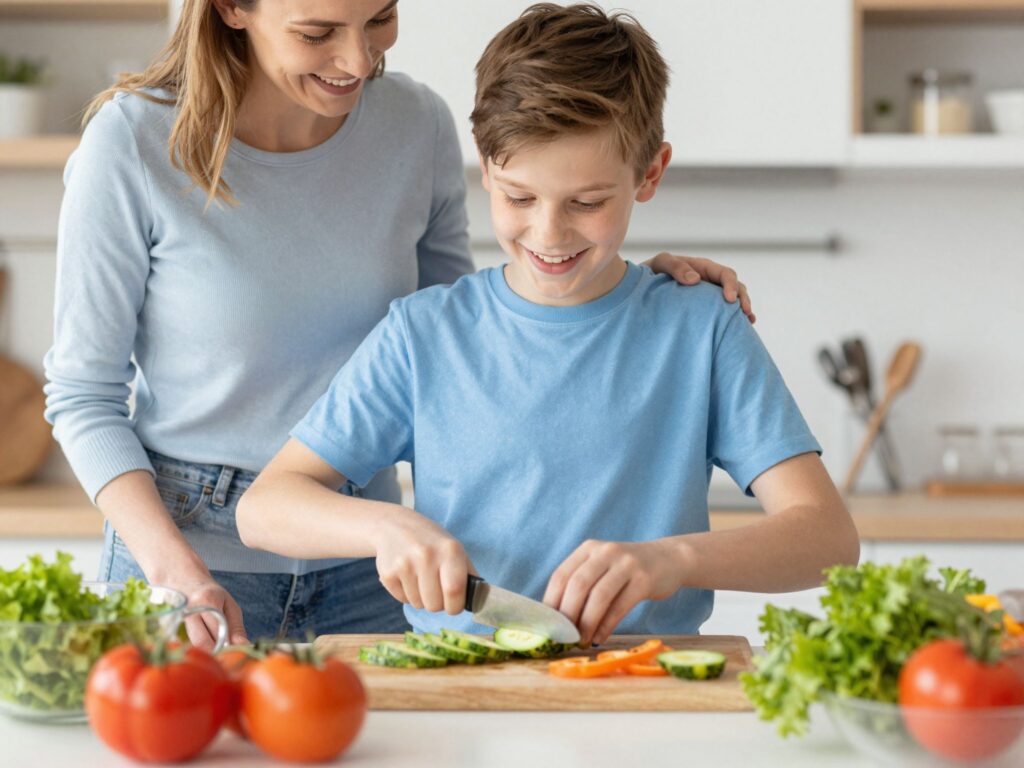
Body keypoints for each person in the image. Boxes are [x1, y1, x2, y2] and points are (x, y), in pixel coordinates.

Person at [42, 0, 753, 650]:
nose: (359, 61)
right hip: (192, 556)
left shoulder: (415, 124)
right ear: (232, 8)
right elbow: (83, 397)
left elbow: (473, 332)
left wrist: (628, 284)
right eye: (318, 33)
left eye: (379, 18)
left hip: (375, 566)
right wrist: (177, 572)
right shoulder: (132, 142)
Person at [236, 3, 860, 647]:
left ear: (650, 174)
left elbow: (828, 539)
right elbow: (265, 508)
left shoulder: (701, 328)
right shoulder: (425, 334)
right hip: (463, 690)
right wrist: (384, 528)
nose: (548, 233)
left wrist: (673, 561)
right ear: (482, 165)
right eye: (519, 196)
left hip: (637, 685)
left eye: (587, 203)